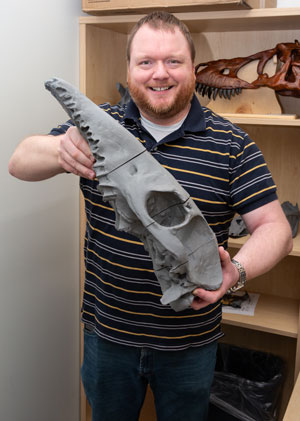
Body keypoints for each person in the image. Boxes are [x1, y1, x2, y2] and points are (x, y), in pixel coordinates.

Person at [8, 11, 292, 421]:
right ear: (129, 68)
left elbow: (276, 229)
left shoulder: (232, 144)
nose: (160, 74)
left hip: (190, 344)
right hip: (107, 337)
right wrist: (59, 150)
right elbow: (18, 162)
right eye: (146, 62)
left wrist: (237, 272)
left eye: (173, 61)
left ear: (192, 68)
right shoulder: (96, 128)